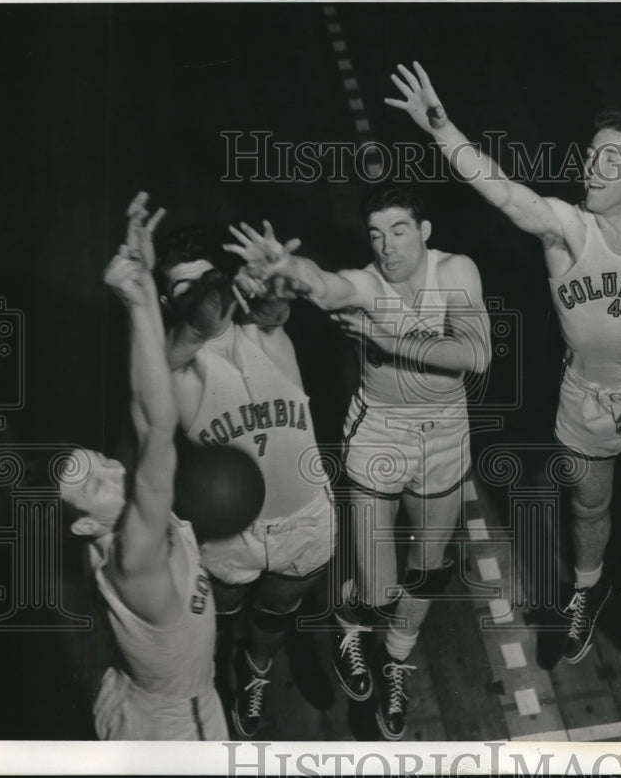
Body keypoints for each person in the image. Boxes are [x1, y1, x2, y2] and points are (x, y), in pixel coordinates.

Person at [385, 62, 621, 665]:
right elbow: (503, 189)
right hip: (585, 396)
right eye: (591, 156)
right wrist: (440, 128)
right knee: (588, 506)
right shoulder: (565, 229)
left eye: (611, 160)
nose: (594, 166)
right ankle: (588, 591)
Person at [224, 186, 492, 740]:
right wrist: (289, 266)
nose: (387, 245)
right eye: (376, 234)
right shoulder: (368, 284)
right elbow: (324, 285)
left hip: (444, 435)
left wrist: (387, 337)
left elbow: (474, 354)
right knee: (376, 589)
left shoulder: (457, 272)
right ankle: (348, 623)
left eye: (398, 230)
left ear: (424, 231)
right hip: (381, 433)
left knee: (430, 567)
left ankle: (396, 660)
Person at [58, 192, 228, 740]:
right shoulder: (136, 556)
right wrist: (136, 300)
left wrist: (140, 295)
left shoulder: (113, 520)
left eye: (98, 461)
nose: (112, 468)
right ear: (86, 525)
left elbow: (140, 415)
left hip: (135, 695)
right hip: (177, 728)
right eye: (96, 482)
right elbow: (157, 433)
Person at [156, 220, 335, 739]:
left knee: (274, 616)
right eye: (183, 288)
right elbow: (167, 354)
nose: (202, 293)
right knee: (220, 616)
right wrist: (210, 295)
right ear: (169, 304)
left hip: (303, 521)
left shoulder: (266, 334)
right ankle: (215, 669)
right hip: (229, 538)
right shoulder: (174, 369)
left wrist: (276, 282)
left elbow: (273, 310)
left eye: (209, 278)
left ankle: (255, 673)